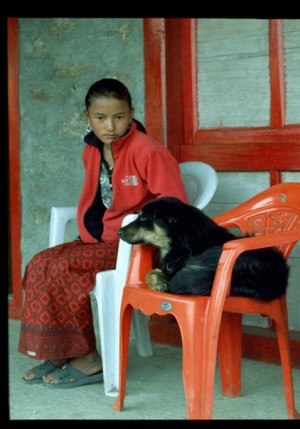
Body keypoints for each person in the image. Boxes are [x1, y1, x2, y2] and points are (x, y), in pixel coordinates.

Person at [19, 78, 188, 388]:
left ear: (131, 113)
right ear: (87, 116)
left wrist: (139, 227)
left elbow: (175, 205)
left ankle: (88, 359)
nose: (110, 126)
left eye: (119, 117)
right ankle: (59, 351)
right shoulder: (92, 150)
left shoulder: (147, 150)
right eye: (100, 117)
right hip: (98, 240)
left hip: (134, 245)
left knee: (64, 268)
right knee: (40, 263)